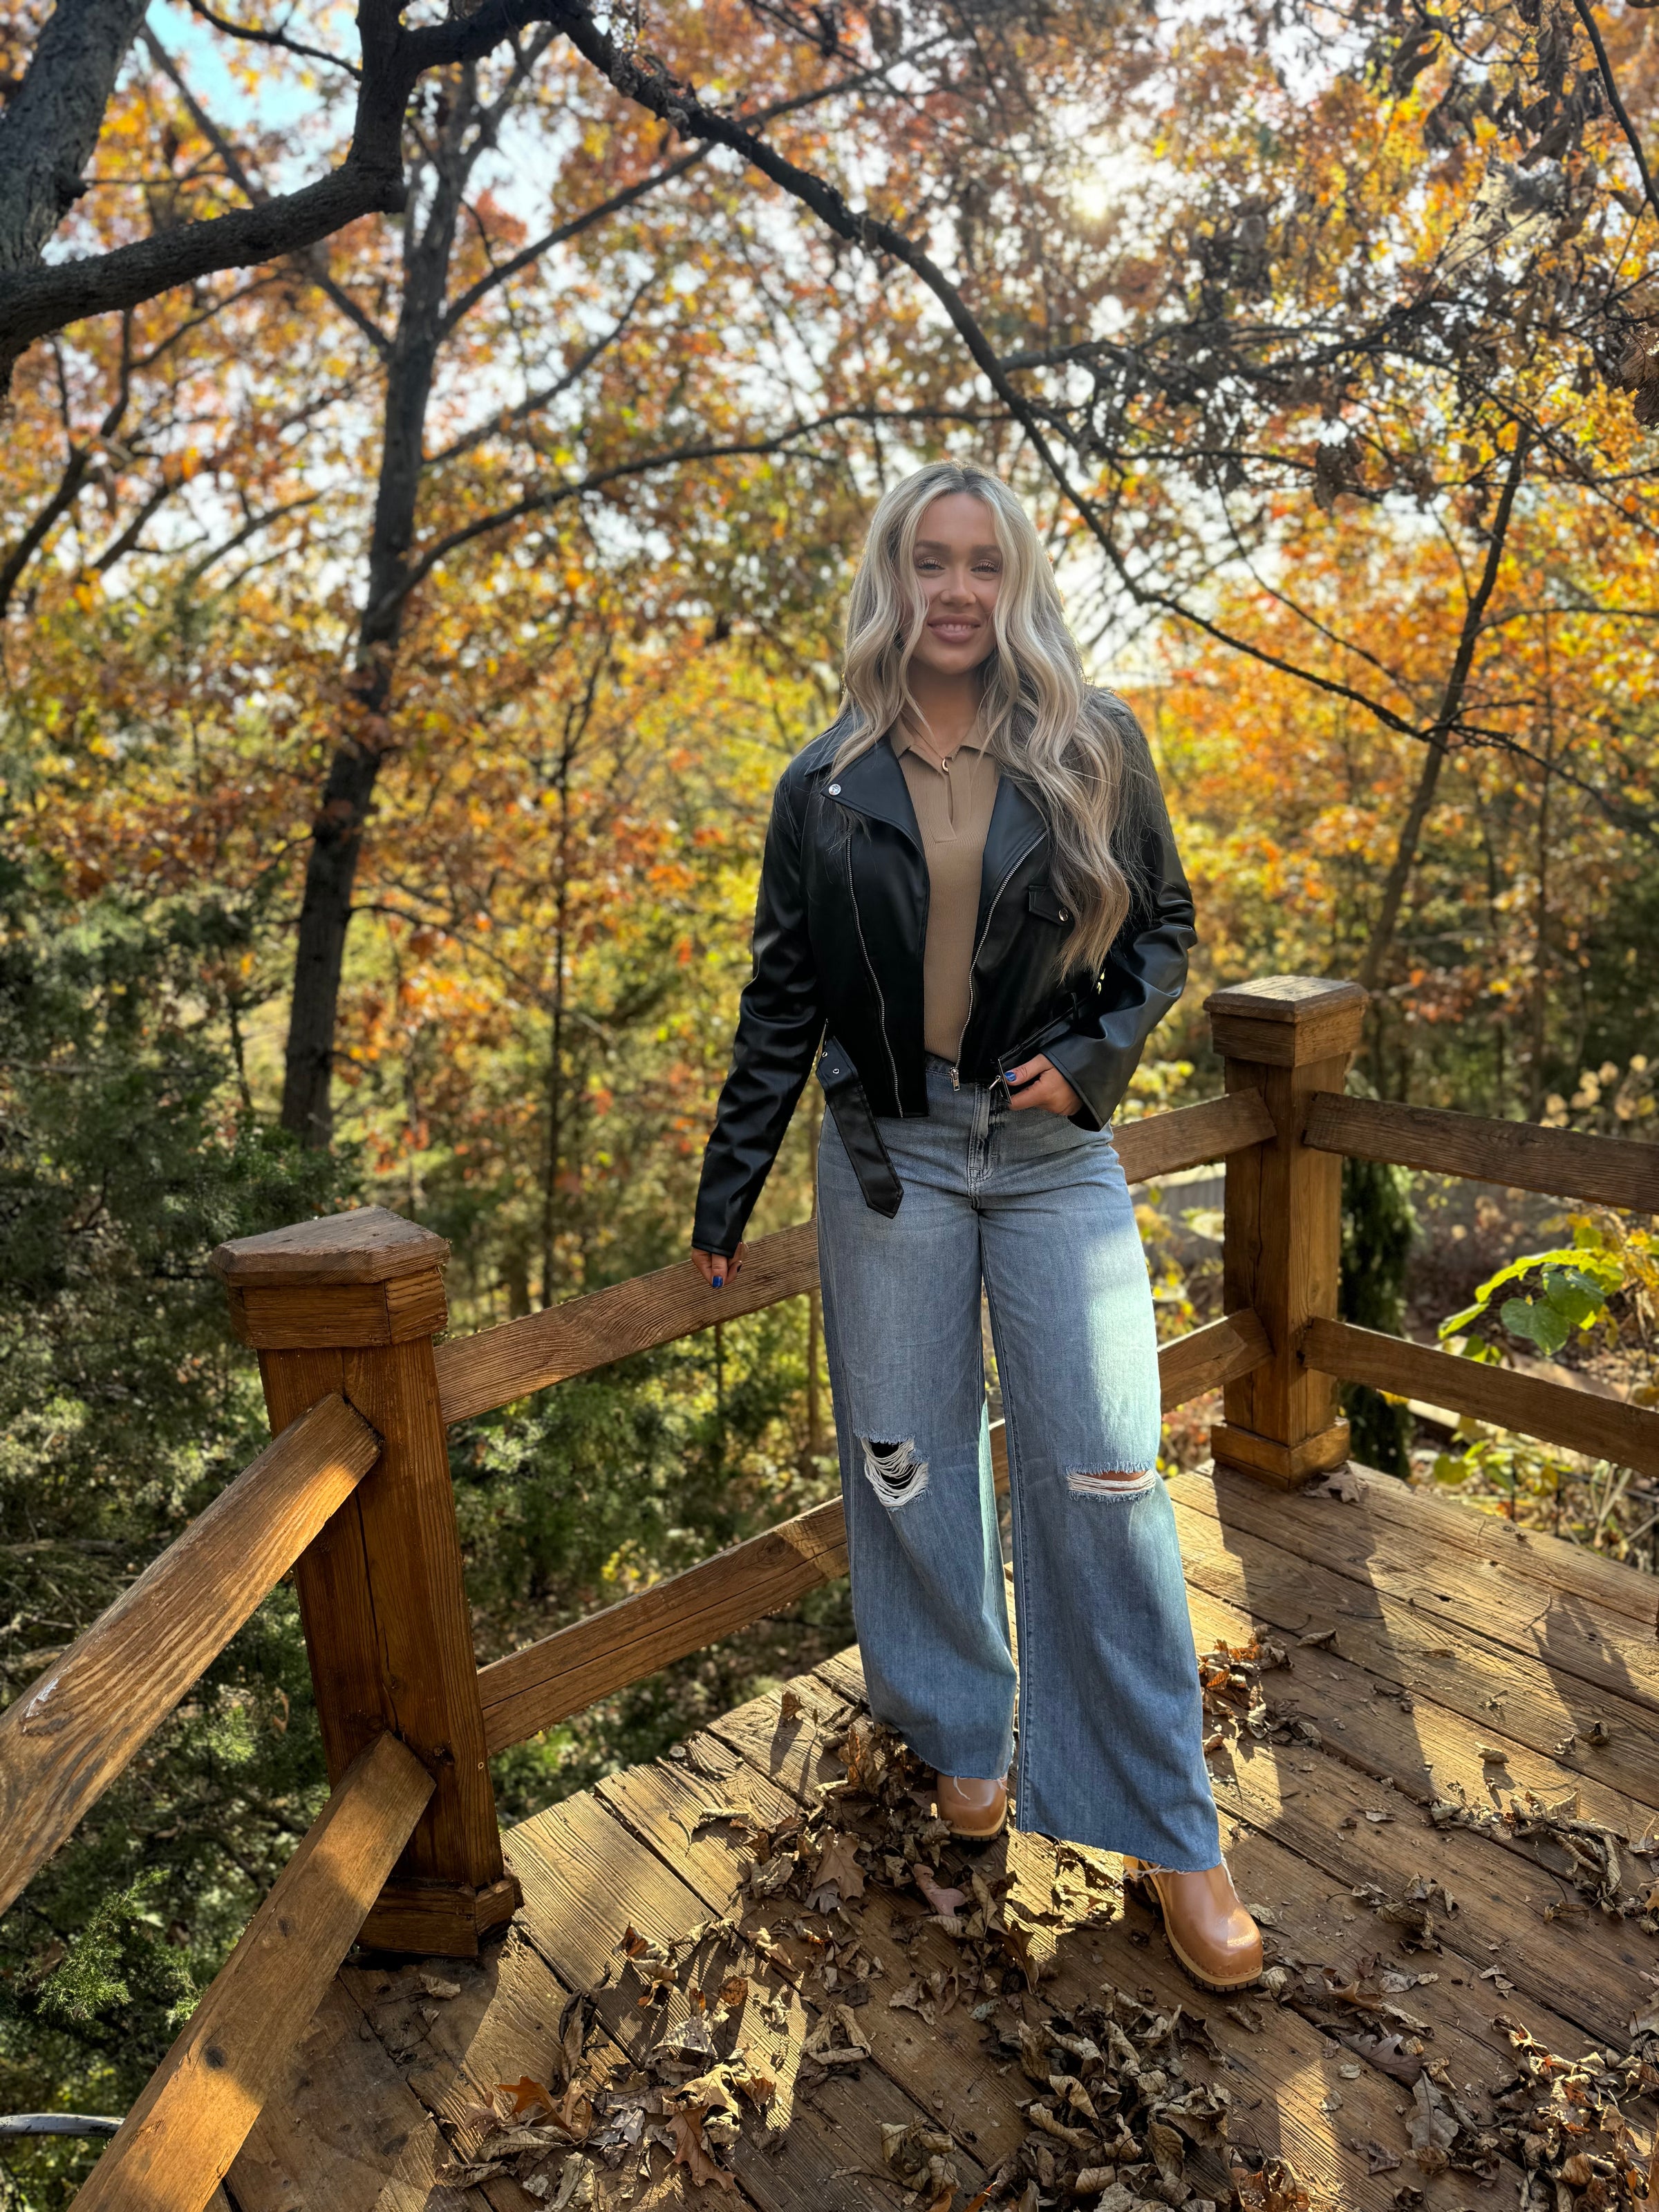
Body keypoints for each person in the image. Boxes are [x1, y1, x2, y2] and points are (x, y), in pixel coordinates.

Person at [688, 460, 1261, 1994]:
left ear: (1017, 585)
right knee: (907, 1460)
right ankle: (965, 1734)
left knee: (1108, 1472)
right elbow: (783, 994)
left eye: (983, 563)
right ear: (893, 579)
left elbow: (1164, 928)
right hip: (892, 1157)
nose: (956, 589)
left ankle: (1169, 1828)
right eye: (930, 561)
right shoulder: (823, 785)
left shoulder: (1093, 743)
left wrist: (1092, 1062)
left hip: (1052, 1149)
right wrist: (728, 1187)